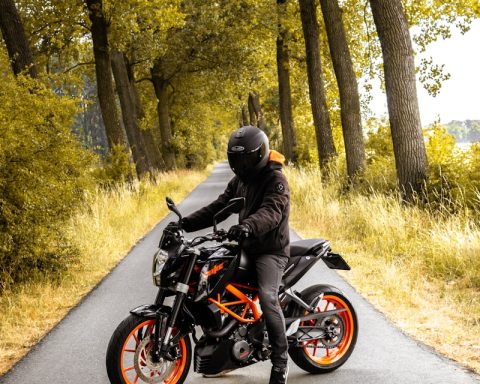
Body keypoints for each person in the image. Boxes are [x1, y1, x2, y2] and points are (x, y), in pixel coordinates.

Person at [167, 126, 290, 384]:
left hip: (270, 251)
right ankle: (224, 346)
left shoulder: (276, 180)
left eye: (246, 158)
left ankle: (280, 363)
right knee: (207, 280)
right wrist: (184, 224)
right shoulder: (240, 181)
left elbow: (272, 212)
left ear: (260, 154)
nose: (241, 164)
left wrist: (247, 225)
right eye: (237, 159)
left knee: (268, 297)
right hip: (244, 246)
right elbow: (219, 207)